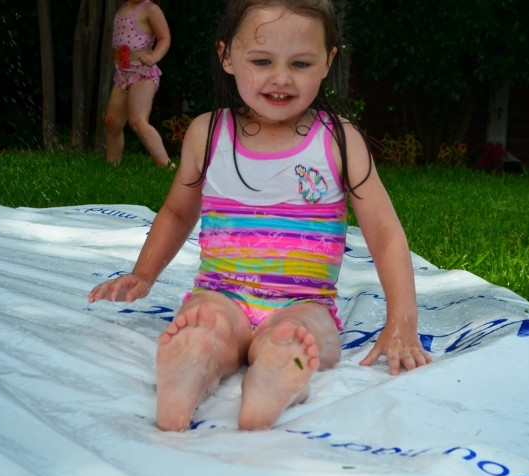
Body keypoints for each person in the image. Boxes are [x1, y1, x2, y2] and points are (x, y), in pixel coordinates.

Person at [89, 0, 432, 432]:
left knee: (304, 333)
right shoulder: (207, 133)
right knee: (209, 324)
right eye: (262, 60)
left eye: (301, 63)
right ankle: (193, 362)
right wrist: (144, 274)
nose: (281, 78)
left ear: (328, 62)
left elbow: (383, 230)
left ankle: (277, 371)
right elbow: (178, 212)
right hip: (221, 292)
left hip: (304, 302)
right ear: (226, 56)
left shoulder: (339, 141)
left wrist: (402, 320)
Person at [105, 0, 172, 167]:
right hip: (123, 75)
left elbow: (164, 38)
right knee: (112, 121)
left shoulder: (151, 9)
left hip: (143, 73)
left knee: (138, 121)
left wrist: (153, 57)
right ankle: (112, 165)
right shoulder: (122, 8)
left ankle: (167, 166)